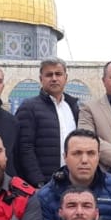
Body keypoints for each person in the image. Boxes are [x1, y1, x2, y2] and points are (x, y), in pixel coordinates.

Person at [15, 58, 79, 186]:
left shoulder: (73, 107)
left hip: (72, 183)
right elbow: (24, 148)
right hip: (43, 185)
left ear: (66, 78)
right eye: (49, 75)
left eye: (58, 74)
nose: (54, 78)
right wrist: (38, 182)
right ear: (41, 79)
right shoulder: (29, 107)